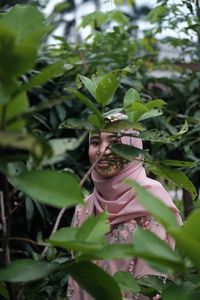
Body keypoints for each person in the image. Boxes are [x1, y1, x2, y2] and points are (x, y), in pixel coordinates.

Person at [67, 113, 182, 300]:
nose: (103, 151)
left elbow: (150, 283)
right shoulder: (85, 206)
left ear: (132, 147)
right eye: (95, 142)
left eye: (114, 143)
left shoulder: (151, 201)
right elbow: (76, 280)